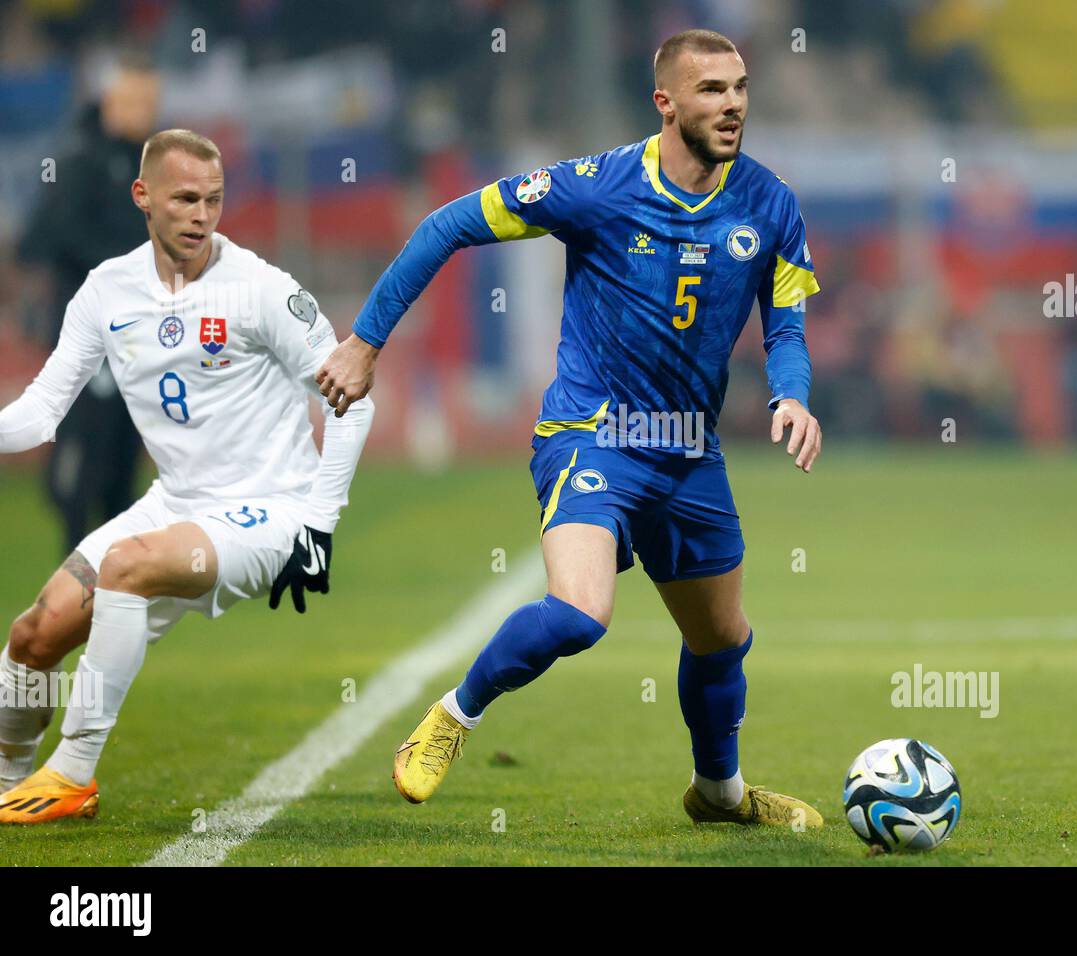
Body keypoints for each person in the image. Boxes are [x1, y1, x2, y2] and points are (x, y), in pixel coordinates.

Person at [317, 30, 823, 828]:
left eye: (740, 87)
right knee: (581, 614)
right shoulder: (597, 187)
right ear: (666, 102)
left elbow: (786, 325)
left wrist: (789, 396)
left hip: (691, 451)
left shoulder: (770, 203)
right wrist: (364, 341)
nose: (732, 106)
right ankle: (455, 714)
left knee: (723, 640)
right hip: (595, 432)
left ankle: (719, 794)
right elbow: (449, 224)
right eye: (712, 91)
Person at [0, 130, 374, 823]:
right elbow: (42, 412)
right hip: (176, 503)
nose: (202, 215)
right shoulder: (106, 292)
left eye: (213, 199)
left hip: (271, 511)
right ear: (143, 198)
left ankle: (74, 770)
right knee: (33, 635)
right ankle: (8, 779)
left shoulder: (261, 290)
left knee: (125, 564)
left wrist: (318, 526)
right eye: (185, 199)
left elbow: (354, 399)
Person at [17, 57, 159, 555]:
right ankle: (75, 554)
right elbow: (44, 238)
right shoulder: (79, 160)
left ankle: (115, 564)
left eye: (150, 101)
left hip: (139, 335)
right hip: (91, 335)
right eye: (135, 101)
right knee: (87, 448)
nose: (145, 111)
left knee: (125, 450)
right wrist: (127, 265)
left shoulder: (153, 164)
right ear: (110, 103)